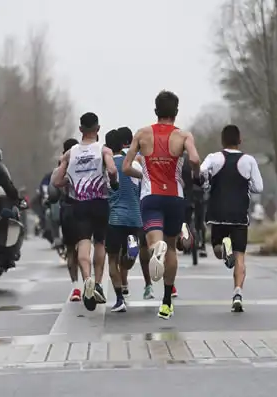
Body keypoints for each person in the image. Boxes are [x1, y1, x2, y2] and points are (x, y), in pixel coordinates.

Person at [122, 91, 200, 319]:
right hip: (175, 196)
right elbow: (195, 160)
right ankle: (166, 301)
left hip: (151, 196)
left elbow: (126, 167)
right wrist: (194, 175)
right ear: (176, 112)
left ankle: (157, 250)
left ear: (156, 111)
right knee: (172, 246)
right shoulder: (184, 136)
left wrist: (143, 174)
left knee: (153, 239)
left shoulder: (142, 134)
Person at [53, 112, 118, 311]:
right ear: (98, 129)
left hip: (78, 203)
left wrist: (71, 182)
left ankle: (86, 278)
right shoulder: (103, 149)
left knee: (83, 243)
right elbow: (113, 170)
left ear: (80, 130)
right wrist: (112, 183)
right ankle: (98, 284)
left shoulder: (70, 152)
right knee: (100, 242)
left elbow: (56, 181)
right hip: (100, 202)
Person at [199, 124, 263, 312]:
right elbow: (258, 187)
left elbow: (202, 172)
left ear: (222, 140)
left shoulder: (214, 158)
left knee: (217, 249)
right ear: (239, 140)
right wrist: (245, 185)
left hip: (217, 213)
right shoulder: (249, 161)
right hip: (239, 215)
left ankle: (223, 251)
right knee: (240, 256)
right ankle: (237, 293)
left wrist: (207, 183)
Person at [105, 129, 144, 312]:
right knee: (130, 254)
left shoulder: (107, 167)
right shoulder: (135, 166)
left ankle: (120, 299)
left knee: (112, 259)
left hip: (114, 219)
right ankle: (130, 254)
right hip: (135, 218)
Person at [117, 126, 158, 300]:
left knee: (121, 250)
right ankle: (148, 285)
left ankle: (124, 284)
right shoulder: (139, 160)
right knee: (144, 249)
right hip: (141, 208)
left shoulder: (113, 160)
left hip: (119, 212)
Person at [50, 138, 81, 301]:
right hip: (84, 208)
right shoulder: (83, 162)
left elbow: (53, 193)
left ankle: (76, 287)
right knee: (84, 247)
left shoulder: (60, 165)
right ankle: (90, 282)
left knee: (70, 250)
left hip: (67, 209)